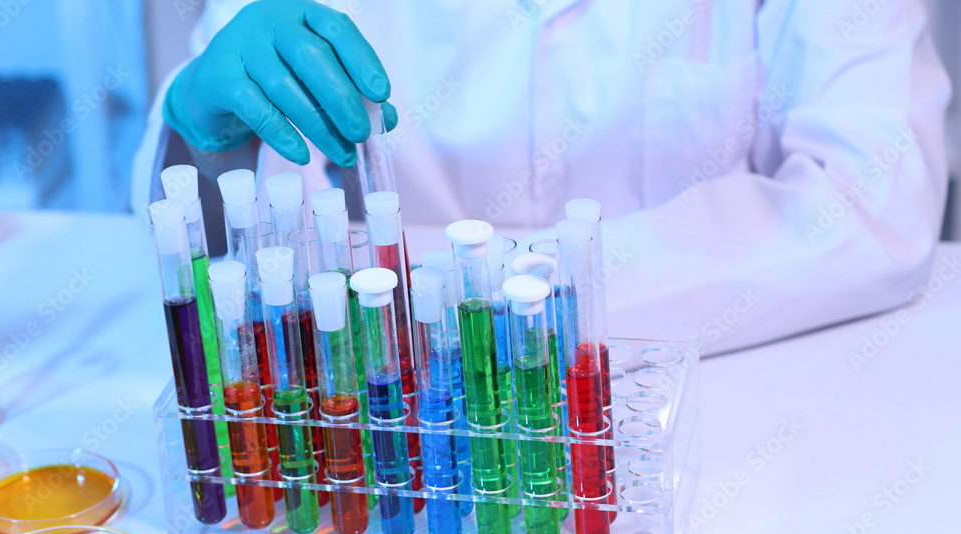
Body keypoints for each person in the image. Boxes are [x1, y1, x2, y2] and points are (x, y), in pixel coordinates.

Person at [133, 0, 950, 355]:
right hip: (407, 439)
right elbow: (236, 250)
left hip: (731, 403)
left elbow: (872, 195)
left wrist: (522, 289)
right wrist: (204, 136)